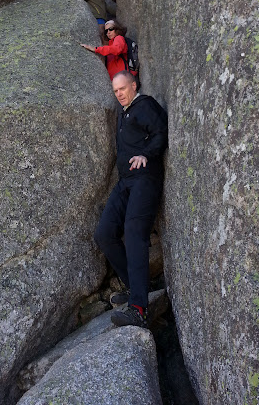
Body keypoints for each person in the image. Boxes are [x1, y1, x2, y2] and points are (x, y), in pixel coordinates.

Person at [94, 71, 168, 328]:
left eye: (123, 89)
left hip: (145, 178)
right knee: (104, 233)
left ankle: (138, 309)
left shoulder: (144, 105)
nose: (119, 94)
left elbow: (161, 129)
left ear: (133, 86)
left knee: (134, 231)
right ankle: (138, 287)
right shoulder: (124, 115)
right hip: (125, 182)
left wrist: (146, 154)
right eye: (116, 91)